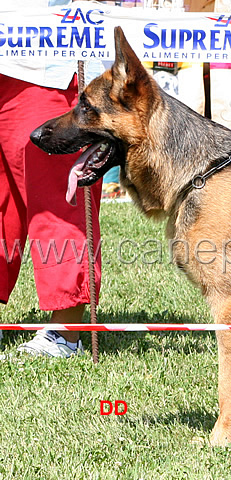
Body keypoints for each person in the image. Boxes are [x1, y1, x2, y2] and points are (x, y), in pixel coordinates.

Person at [0, 0, 103, 358]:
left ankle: (66, 332)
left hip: (48, 66)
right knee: (3, 202)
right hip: (8, 66)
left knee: (60, 201)